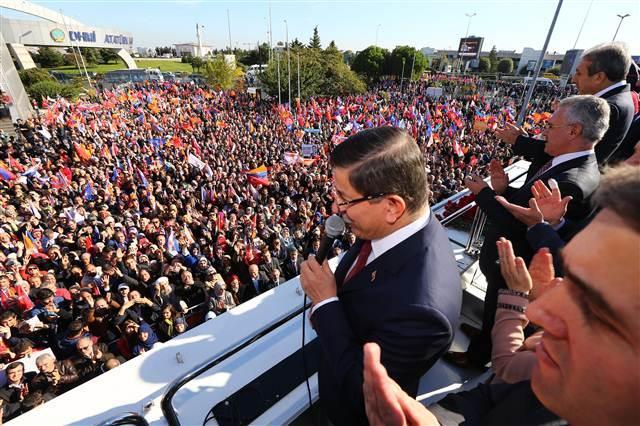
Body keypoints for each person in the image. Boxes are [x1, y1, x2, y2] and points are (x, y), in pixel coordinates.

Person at [363, 164, 640, 426]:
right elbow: (492, 396)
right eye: (570, 284)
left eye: (593, 306)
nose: (534, 313)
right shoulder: (569, 380)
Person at [300, 127, 462, 425]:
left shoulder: (425, 312)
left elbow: (365, 392)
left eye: (345, 198)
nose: (336, 207)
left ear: (392, 206)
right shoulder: (392, 227)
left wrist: (325, 303)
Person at [453, 95, 608, 368]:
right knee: (493, 305)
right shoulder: (564, 161)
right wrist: (504, 190)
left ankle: (478, 357)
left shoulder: (572, 181)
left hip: (518, 262)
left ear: (574, 131)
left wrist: (484, 195)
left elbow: (525, 223)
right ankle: (487, 336)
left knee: (502, 302)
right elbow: (529, 206)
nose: (544, 131)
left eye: (551, 125)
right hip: (506, 262)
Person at [498, 43, 633, 166]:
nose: (573, 79)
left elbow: (572, 153)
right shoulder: (621, 100)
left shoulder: (609, 108)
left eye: (579, 73)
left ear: (599, 77)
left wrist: (518, 140)